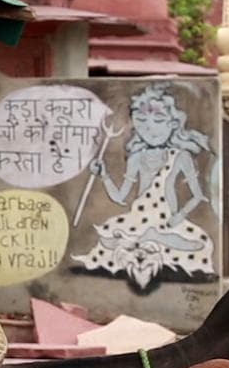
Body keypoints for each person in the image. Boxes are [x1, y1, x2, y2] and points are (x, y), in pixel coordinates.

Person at [71, 84, 215, 291]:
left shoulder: (180, 156)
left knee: (200, 244)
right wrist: (104, 176)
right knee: (110, 238)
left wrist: (180, 215)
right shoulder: (137, 158)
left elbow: (197, 195)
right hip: (138, 218)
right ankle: (143, 249)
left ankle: (152, 243)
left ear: (173, 123)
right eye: (141, 121)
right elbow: (120, 196)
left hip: (167, 220)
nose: (150, 128)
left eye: (158, 121)